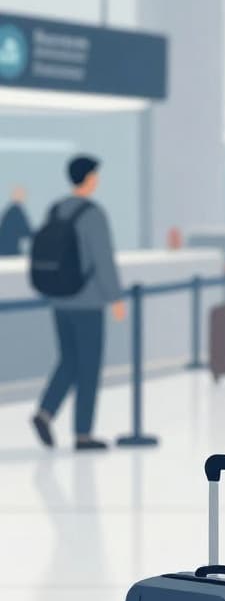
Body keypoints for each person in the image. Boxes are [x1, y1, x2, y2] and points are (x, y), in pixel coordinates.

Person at [31, 157, 125, 451]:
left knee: (68, 359)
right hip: (88, 302)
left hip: (59, 299)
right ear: (89, 178)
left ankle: (45, 412)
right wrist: (116, 297)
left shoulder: (56, 209)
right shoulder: (93, 214)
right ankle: (83, 434)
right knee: (89, 366)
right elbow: (103, 260)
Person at [0, 185, 32, 256]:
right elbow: (25, 230)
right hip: (10, 250)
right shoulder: (16, 211)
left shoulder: (9, 211)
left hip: (4, 249)